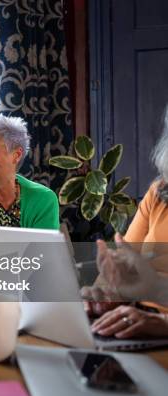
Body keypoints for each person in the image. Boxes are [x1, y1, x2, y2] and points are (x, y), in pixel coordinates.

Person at [84, 106, 168, 338]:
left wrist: (163, 323)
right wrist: (106, 294)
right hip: (134, 324)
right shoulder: (160, 192)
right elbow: (124, 265)